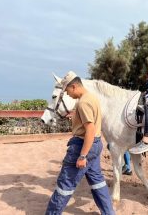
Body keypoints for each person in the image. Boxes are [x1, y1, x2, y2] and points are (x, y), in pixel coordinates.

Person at [45, 71, 115, 215]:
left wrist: (82, 156)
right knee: (98, 182)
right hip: (95, 144)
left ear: (74, 86)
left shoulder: (83, 103)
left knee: (65, 184)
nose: (68, 94)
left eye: (67, 91)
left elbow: (89, 129)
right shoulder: (92, 98)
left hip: (83, 145)